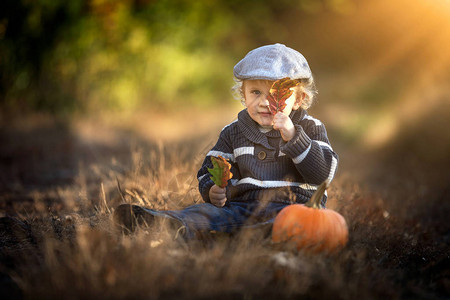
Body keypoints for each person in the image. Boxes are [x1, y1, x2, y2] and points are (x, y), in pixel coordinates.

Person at [114, 43, 338, 240]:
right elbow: (211, 167)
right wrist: (212, 189)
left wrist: (294, 136)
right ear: (243, 94)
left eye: (275, 95)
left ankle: (255, 235)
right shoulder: (234, 132)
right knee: (205, 213)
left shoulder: (310, 128)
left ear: (298, 99)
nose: (264, 103)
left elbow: (323, 175)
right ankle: (167, 223)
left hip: (293, 209)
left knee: (287, 225)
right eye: (256, 92)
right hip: (242, 207)